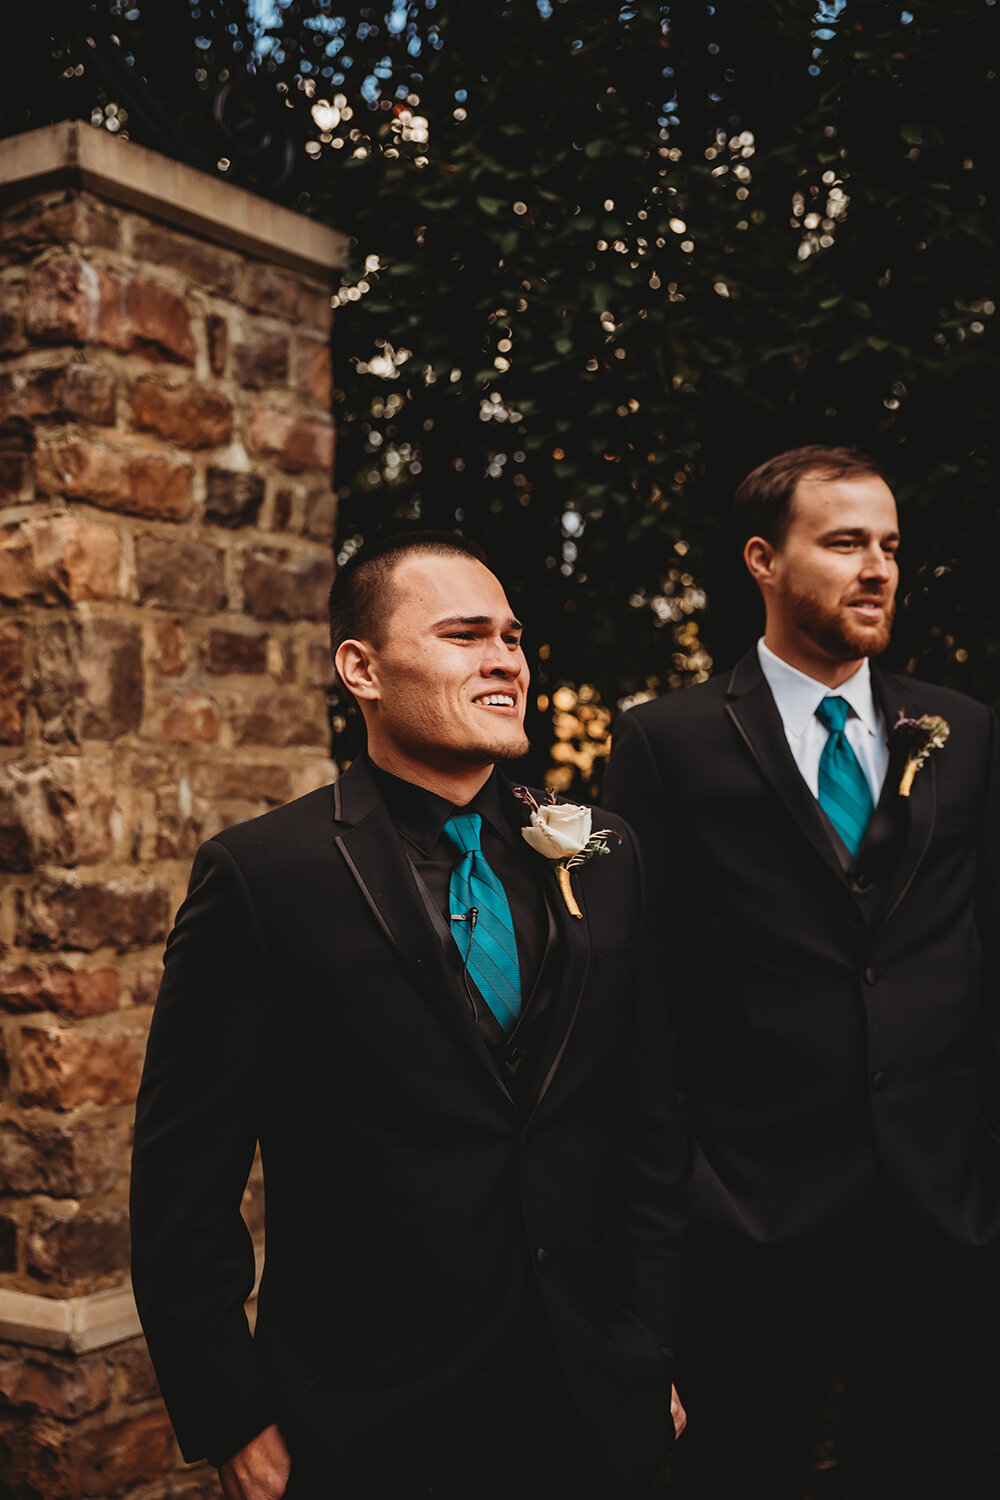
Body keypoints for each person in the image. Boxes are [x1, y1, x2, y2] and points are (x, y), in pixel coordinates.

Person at [130, 531, 685, 1500]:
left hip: (593, 1403)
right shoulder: (263, 877)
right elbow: (182, 1183)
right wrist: (234, 1415)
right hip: (367, 1423)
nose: (505, 658)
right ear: (362, 668)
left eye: (511, 637)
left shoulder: (606, 851)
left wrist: (651, 1344)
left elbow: (648, 1129)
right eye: (466, 635)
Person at [602, 447, 1000, 1500]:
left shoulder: (963, 736)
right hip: (748, 1237)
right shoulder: (665, 744)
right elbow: (635, 999)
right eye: (842, 543)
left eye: (890, 547)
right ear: (761, 562)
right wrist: (683, 1202)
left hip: (944, 1230)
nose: (876, 568)